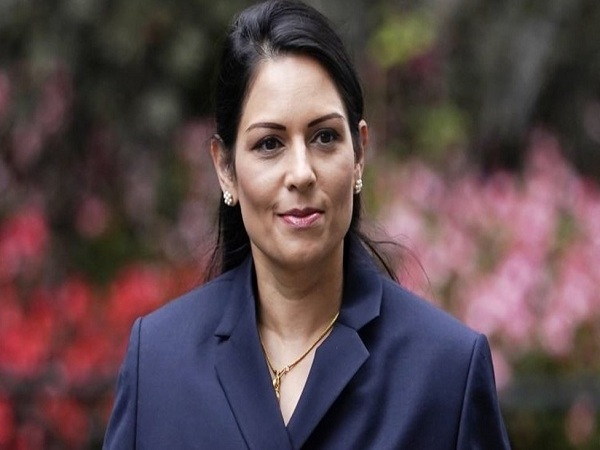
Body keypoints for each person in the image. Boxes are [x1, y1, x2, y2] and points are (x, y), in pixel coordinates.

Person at [103, 1, 511, 448]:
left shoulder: (446, 371)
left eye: (324, 137)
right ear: (225, 169)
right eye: (269, 144)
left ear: (359, 154)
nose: (301, 173)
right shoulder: (158, 363)